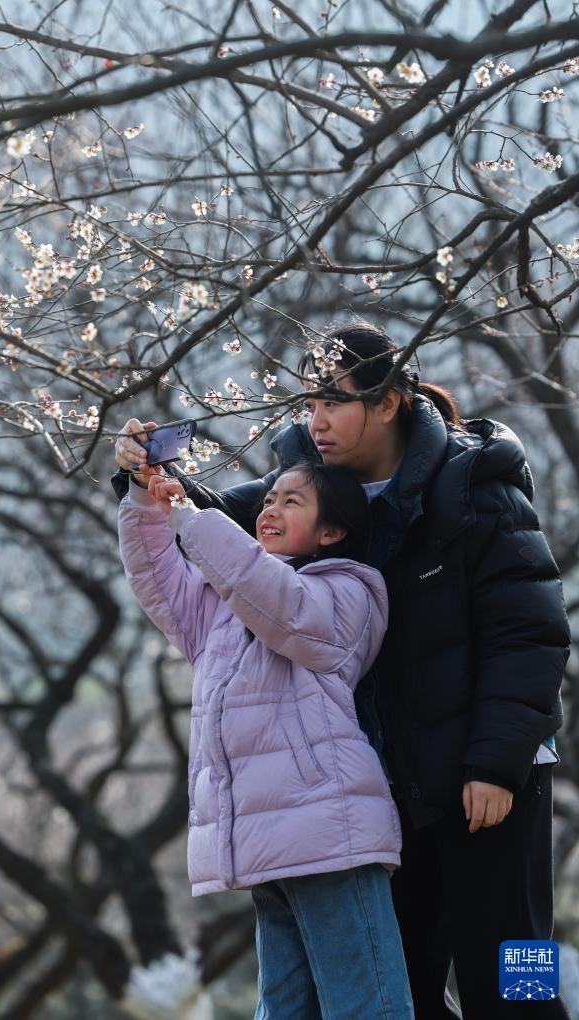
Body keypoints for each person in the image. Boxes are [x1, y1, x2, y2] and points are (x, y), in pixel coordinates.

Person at [113, 320, 571, 1019]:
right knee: (404, 985)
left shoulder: (474, 486)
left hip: (497, 779)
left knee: (515, 974)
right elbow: (223, 544)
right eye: (309, 403)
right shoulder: (305, 488)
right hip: (393, 787)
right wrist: (143, 481)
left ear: (388, 402)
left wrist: (497, 761)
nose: (317, 420)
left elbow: (529, 632)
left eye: (334, 401)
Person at [117, 455, 414, 1020]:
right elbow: (156, 577)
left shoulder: (347, 592)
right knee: (282, 1011)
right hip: (265, 841)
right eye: (269, 499)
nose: (270, 510)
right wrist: (143, 497)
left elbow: (280, 603)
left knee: (367, 1008)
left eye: (292, 502)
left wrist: (188, 512)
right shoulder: (225, 607)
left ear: (332, 532)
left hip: (328, 835)